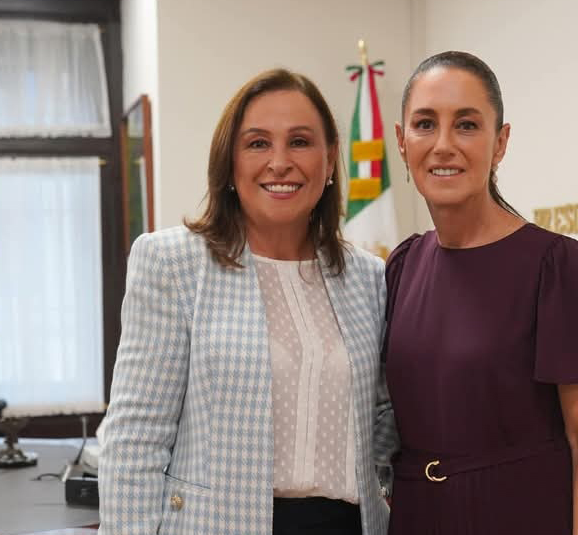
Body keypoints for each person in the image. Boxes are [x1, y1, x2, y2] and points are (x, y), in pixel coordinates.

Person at [99, 68, 396, 535]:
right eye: (258, 143)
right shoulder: (172, 263)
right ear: (229, 163)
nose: (280, 162)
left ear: (329, 159)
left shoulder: (368, 276)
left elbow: (383, 420)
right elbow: (135, 439)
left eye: (300, 142)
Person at [382, 51, 578, 535]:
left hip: (519, 513)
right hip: (416, 516)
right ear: (402, 142)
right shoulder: (403, 264)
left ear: (500, 143)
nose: (444, 145)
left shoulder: (553, 265)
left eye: (467, 125)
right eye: (425, 124)